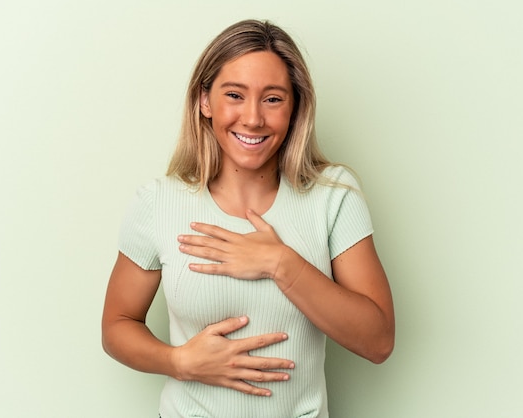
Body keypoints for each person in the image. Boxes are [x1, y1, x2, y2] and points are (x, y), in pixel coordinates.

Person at [102, 19, 395, 418]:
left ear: (295, 107)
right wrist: (180, 362)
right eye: (235, 95)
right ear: (205, 101)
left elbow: (377, 341)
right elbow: (117, 325)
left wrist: (281, 264)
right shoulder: (159, 202)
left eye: (273, 99)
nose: (253, 118)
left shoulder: (333, 195)